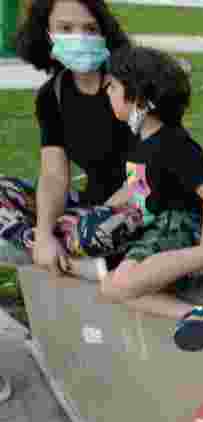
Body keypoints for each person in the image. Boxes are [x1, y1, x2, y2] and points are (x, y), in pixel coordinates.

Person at [99, 45, 203, 351]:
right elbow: (135, 188)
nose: (107, 93)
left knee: (124, 282)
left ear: (139, 97)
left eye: (112, 86)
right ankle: (196, 315)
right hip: (156, 230)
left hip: (179, 225)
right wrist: (99, 212)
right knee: (110, 286)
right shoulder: (140, 142)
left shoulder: (173, 143)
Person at [0, 0, 140, 278]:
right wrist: (44, 233)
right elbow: (54, 175)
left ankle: (50, 247)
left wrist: (90, 217)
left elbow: (146, 176)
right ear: (46, 32)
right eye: (65, 28)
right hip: (87, 206)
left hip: (136, 203)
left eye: (90, 28)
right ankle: (53, 249)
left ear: (104, 33)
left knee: (95, 230)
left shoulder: (131, 86)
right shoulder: (52, 95)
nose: (80, 37)